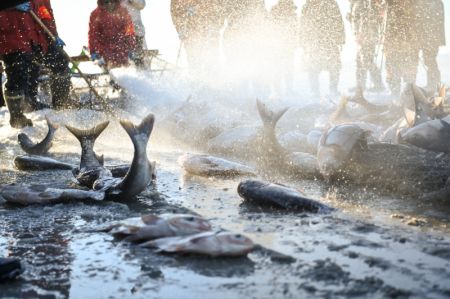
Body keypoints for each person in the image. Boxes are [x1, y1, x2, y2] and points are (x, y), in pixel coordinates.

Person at [29, 0, 72, 110]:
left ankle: (60, 104)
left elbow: (46, 15)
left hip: (44, 39)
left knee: (61, 62)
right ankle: (30, 105)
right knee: (27, 70)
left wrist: (54, 35)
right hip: (27, 40)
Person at [0, 2, 36, 128]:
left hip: (21, 39)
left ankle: (20, 112)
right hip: (7, 39)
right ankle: (16, 117)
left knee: (21, 76)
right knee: (15, 76)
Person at [300, 0, 345, 96]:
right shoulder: (307, 5)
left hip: (329, 40)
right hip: (313, 41)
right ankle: (314, 91)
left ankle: (333, 89)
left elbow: (338, 21)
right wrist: (302, 41)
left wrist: (340, 38)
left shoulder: (331, 3)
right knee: (312, 67)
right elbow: (303, 24)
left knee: (334, 66)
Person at [170, 0, 226, 76]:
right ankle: (196, 81)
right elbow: (175, 11)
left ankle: (213, 81)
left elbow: (219, 7)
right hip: (190, 31)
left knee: (211, 59)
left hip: (209, 30)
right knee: (194, 60)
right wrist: (180, 28)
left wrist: (216, 25)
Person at [384, 0, 418, 96]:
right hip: (391, 37)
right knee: (392, 65)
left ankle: (408, 93)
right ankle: (395, 94)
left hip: (405, 37)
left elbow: (412, 10)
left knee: (406, 64)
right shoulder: (388, 4)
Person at [89, 0, 136, 69]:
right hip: (104, 47)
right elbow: (93, 35)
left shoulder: (123, 12)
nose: (109, 4)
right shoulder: (96, 14)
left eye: (112, 1)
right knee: (108, 59)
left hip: (121, 46)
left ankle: (125, 75)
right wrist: (93, 51)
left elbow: (129, 32)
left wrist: (131, 48)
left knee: (122, 57)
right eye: (106, 2)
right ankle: (111, 74)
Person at [350, 0, 384, 92]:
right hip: (363, 36)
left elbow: (367, 18)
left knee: (366, 60)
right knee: (360, 61)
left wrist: (361, 34)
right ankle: (360, 86)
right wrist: (357, 34)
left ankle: (378, 84)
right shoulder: (358, 3)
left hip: (368, 36)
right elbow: (356, 19)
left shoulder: (366, 3)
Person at [415, 0, 445, 91]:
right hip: (429, 37)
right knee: (429, 61)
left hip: (431, 38)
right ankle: (434, 84)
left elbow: (432, 21)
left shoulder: (435, 3)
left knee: (430, 61)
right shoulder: (435, 2)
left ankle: (434, 85)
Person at [270, 0, 298, 95]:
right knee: (280, 69)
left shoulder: (291, 10)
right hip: (279, 44)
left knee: (286, 68)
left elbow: (295, 28)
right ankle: (280, 91)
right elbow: (270, 26)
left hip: (286, 45)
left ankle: (286, 90)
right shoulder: (290, 10)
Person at [121, 0, 146, 67]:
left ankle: (143, 74)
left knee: (139, 58)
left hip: (137, 31)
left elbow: (142, 5)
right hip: (120, 32)